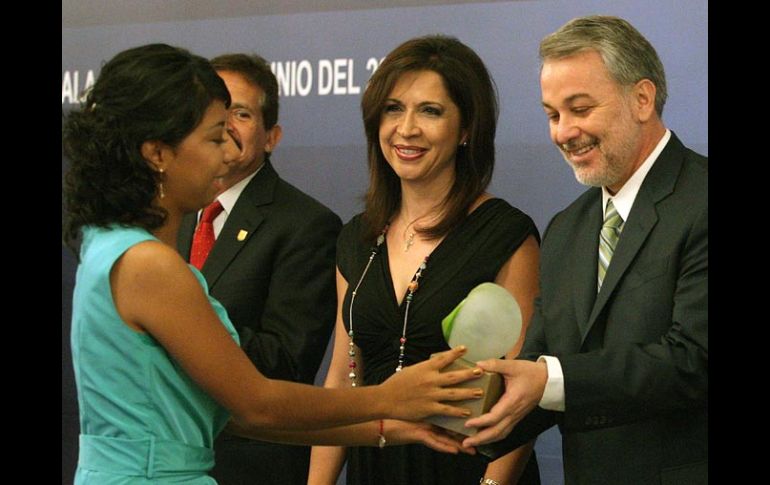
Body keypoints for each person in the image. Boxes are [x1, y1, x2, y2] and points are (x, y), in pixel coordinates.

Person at [62, 43, 486, 485]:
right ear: (157, 154)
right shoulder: (148, 264)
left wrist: (383, 429)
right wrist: (389, 399)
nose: (227, 154)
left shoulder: (108, 242)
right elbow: (256, 403)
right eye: (212, 138)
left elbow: (235, 416)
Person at [463, 15, 708, 485]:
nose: (563, 132)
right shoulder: (566, 229)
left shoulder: (701, 199)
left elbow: (694, 360)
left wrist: (550, 381)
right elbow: (540, 365)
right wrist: (470, 420)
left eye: (580, 108)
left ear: (642, 98)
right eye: (553, 115)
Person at [308, 35, 542, 485]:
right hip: (374, 462)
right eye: (393, 109)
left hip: (468, 469)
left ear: (467, 128)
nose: (406, 129)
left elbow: (520, 392)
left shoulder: (505, 233)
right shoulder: (356, 238)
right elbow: (341, 378)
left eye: (430, 111)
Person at [175, 53, 341, 485]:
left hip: (248, 466)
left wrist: (178, 326)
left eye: (241, 113)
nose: (224, 125)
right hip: (167, 454)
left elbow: (286, 361)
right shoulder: (172, 212)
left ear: (271, 137)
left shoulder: (307, 225)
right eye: (214, 112)